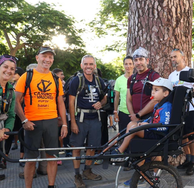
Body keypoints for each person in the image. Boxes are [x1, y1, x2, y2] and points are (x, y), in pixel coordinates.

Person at [15, 46, 68, 188]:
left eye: (50, 57)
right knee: (30, 159)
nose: (48, 59)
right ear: (37, 57)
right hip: (32, 122)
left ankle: (51, 186)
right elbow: (16, 101)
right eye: (45, 56)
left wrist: (64, 124)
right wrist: (24, 120)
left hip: (51, 122)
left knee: (52, 158)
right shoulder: (27, 76)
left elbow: (61, 103)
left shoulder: (55, 79)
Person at [69, 55, 107, 188]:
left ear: (95, 66)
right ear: (81, 65)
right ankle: (77, 175)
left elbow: (105, 98)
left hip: (95, 118)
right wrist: (72, 122)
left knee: (92, 147)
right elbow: (71, 101)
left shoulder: (98, 81)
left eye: (91, 64)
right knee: (77, 148)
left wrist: (100, 103)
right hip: (80, 119)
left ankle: (87, 171)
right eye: (86, 64)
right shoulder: (76, 81)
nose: (88, 66)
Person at [112, 77, 173, 154]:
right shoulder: (158, 105)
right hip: (153, 130)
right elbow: (153, 118)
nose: (152, 92)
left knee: (134, 129)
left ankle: (121, 150)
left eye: (156, 90)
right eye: (152, 89)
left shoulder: (166, 107)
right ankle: (127, 148)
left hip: (159, 134)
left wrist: (148, 125)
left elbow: (164, 126)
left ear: (166, 93)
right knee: (131, 124)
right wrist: (143, 122)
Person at [168, 48, 194, 175]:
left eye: (175, 56)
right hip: (177, 109)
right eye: (171, 57)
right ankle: (187, 159)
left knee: (190, 134)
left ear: (182, 57)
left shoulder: (190, 72)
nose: (173, 59)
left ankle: (193, 161)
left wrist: (187, 92)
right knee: (181, 135)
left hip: (190, 108)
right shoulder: (171, 75)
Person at [126, 47, 160, 122]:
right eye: (136, 60)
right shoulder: (131, 79)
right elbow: (128, 99)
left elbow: (156, 99)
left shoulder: (154, 76)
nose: (138, 63)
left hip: (150, 117)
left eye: (141, 59)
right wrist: (133, 116)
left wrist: (139, 115)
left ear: (147, 61)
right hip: (134, 118)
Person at [0, 55, 16, 181]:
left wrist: (7, 129)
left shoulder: (10, 90)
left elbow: (11, 114)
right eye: (5, 67)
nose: (8, 71)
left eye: (12, 68)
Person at [114, 56, 134, 134]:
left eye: (130, 64)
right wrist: (115, 111)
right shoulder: (119, 80)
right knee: (123, 135)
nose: (128, 66)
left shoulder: (137, 78)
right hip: (123, 112)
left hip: (135, 112)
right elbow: (117, 97)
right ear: (123, 65)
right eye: (126, 64)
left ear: (133, 65)